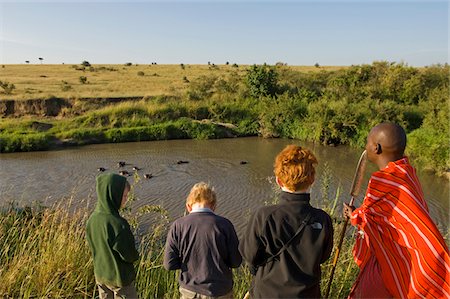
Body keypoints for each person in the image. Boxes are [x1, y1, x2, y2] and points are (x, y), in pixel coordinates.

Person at [343, 122, 450, 298]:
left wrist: (354, 215)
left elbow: (369, 219)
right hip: (404, 257)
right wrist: (357, 213)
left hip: (387, 264)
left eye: (367, 142)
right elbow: (383, 216)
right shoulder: (407, 174)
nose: (365, 146)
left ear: (376, 148)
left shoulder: (382, 181)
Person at [239, 145, 334, 298]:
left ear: (278, 180)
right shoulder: (323, 220)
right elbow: (323, 257)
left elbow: (249, 255)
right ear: (313, 180)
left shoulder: (264, 216)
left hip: (267, 294)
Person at [163, 182, 242, 299]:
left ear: (188, 206)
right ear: (214, 206)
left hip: (190, 291)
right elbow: (236, 262)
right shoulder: (225, 225)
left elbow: (169, 264)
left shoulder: (178, 226)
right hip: (220, 291)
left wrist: (189, 263)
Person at [86, 173, 139, 299]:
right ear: (113, 195)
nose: (126, 199)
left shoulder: (92, 219)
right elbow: (129, 255)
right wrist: (136, 255)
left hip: (101, 275)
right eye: (124, 196)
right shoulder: (118, 224)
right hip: (120, 279)